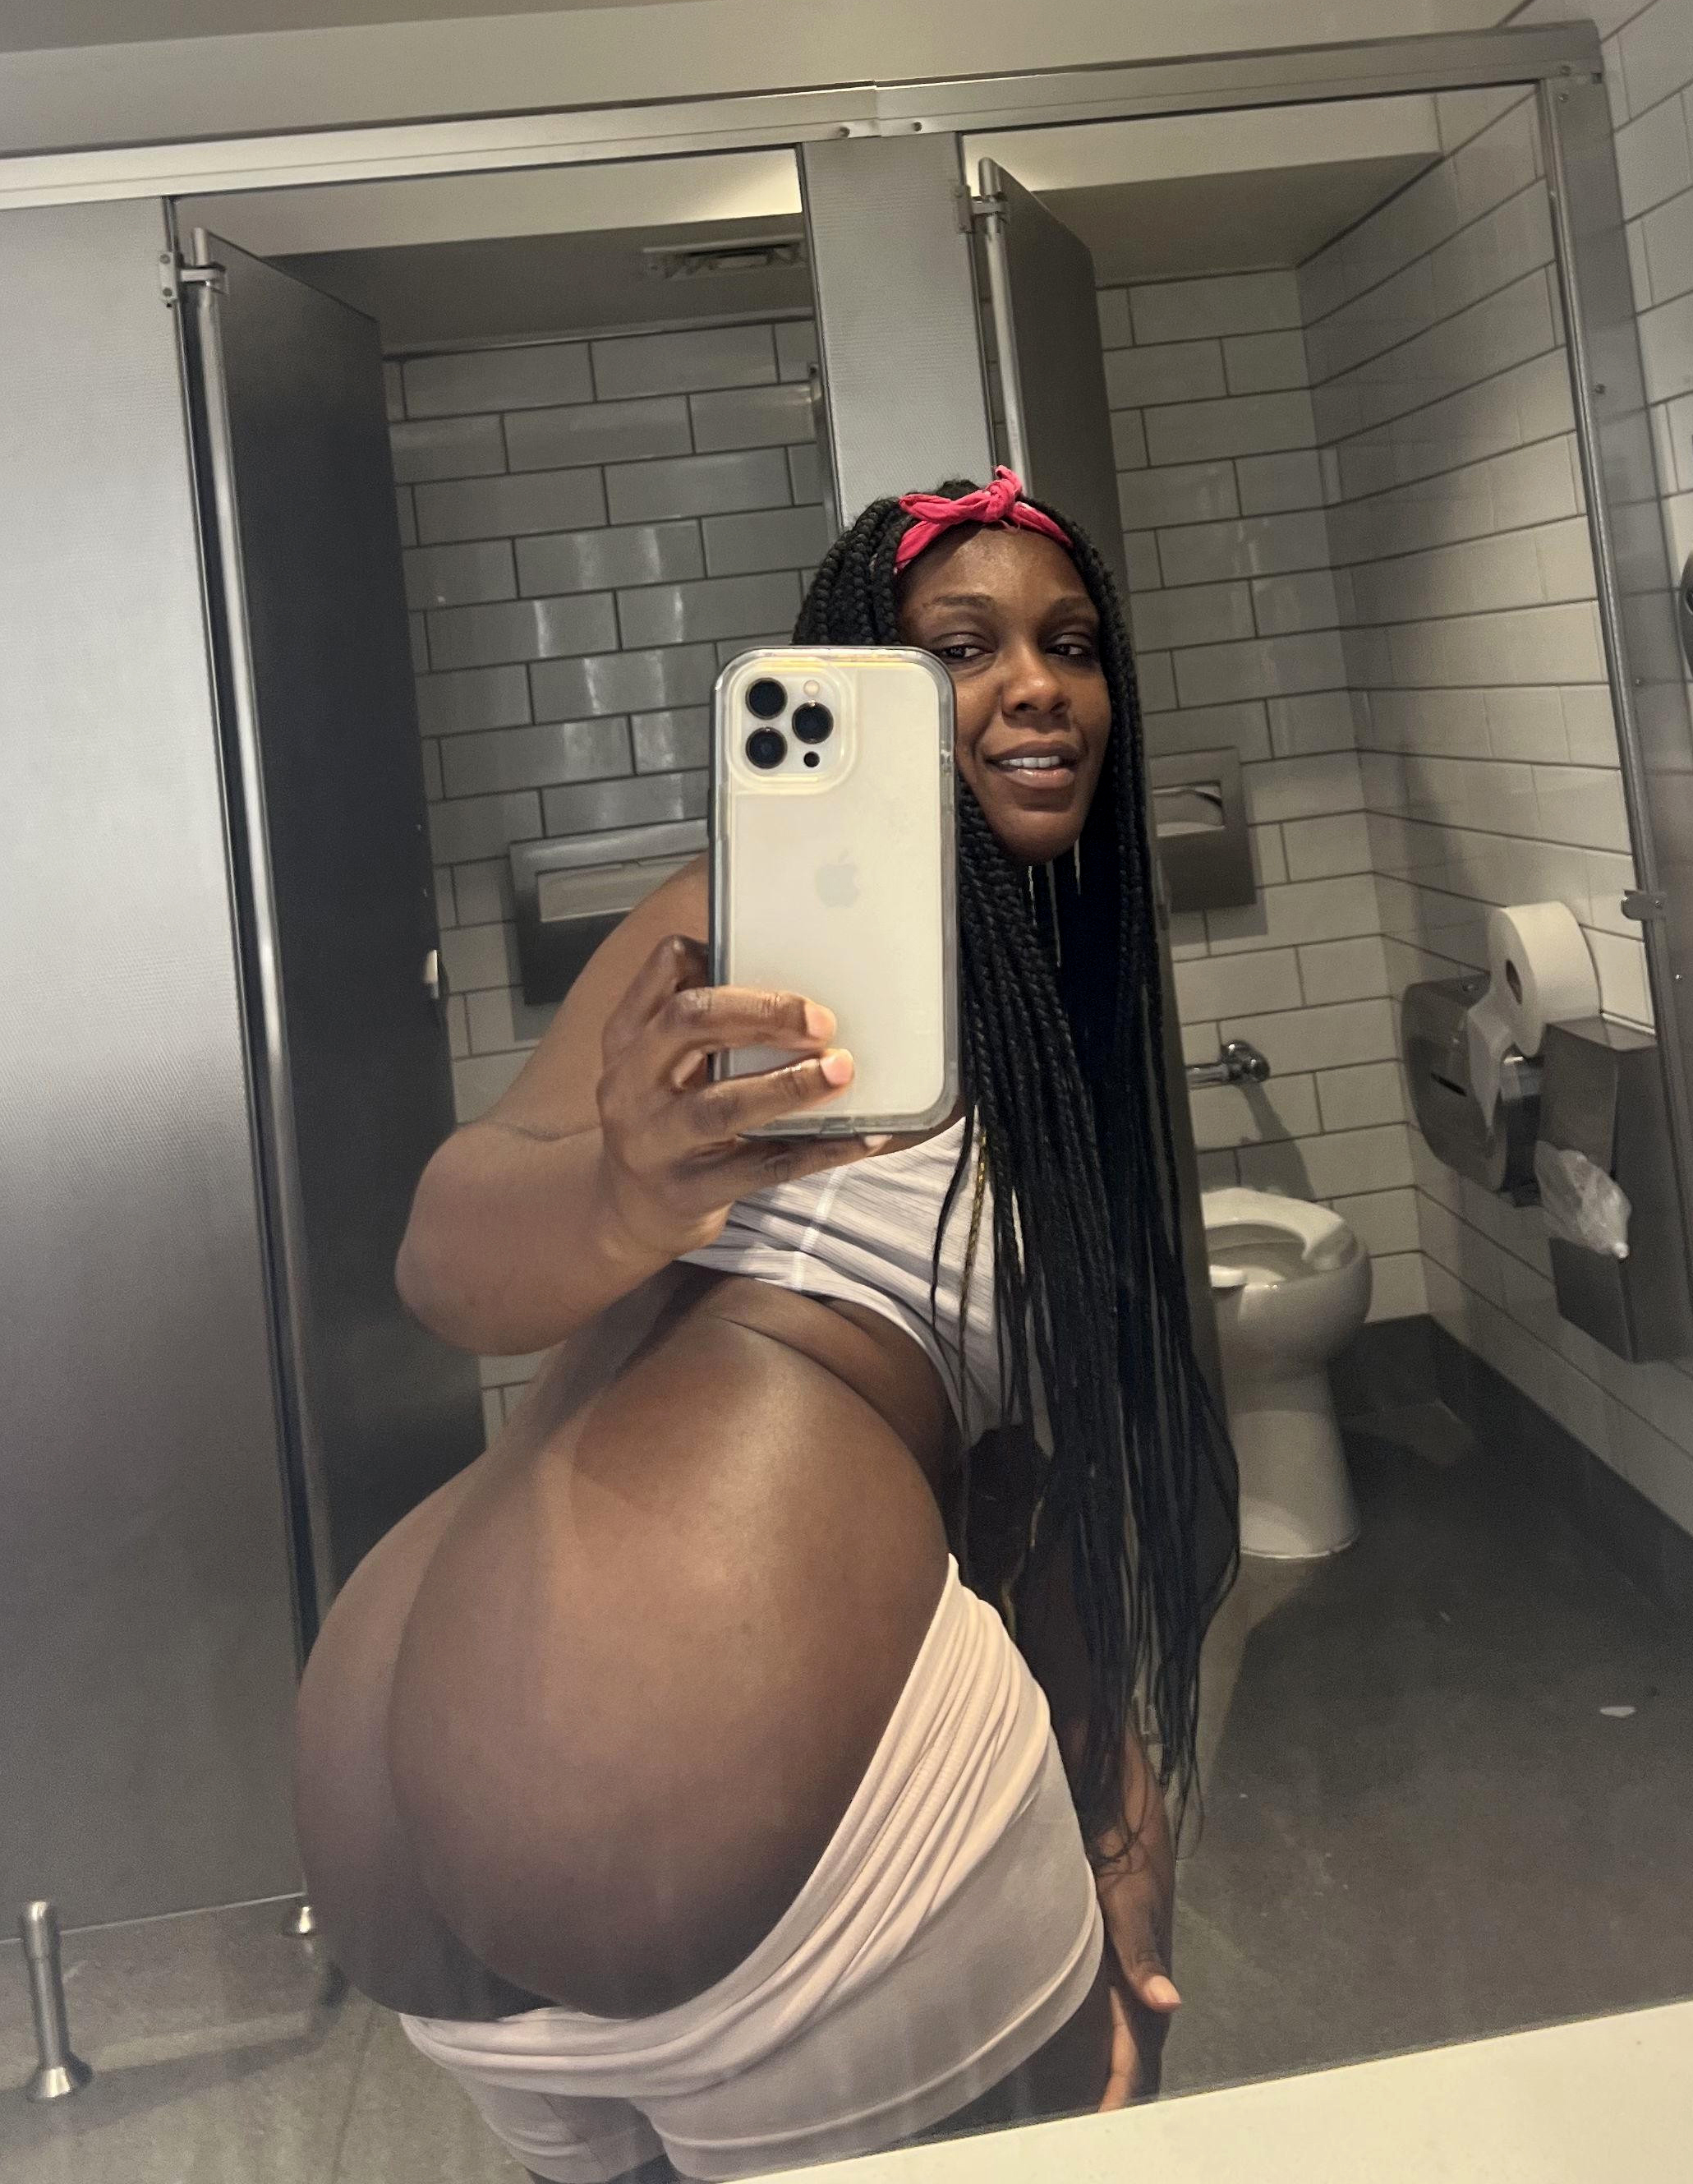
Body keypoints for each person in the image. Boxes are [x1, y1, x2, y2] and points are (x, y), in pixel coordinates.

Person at [292, 468, 1238, 2183]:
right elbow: (443, 1258)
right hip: (669, 1766)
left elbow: (1032, 1472)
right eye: (962, 651)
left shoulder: (1059, 1008)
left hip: (509, 1771)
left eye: (1073, 644)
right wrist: (621, 1193)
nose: (1038, 687)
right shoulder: (729, 922)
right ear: (863, 688)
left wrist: (1105, 1783)